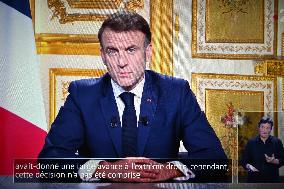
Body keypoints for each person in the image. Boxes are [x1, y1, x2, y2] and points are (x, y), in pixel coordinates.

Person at [38, 11, 227, 182]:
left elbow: (215, 159)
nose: (121, 62)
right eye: (113, 51)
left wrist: (169, 170)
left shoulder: (176, 92)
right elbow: (49, 160)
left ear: (148, 52)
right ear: (103, 55)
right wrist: (106, 170)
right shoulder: (82, 94)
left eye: (131, 50)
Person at [241, 116, 284, 183]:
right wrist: (249, 166)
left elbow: (283, 159)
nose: (265, 130)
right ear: (259, 128)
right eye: (262, 127)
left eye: (267, 128)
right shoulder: (251, 142)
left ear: (271, 129)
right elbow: (243, 161)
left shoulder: (277, 142)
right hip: (254, 180)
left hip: (272, 181)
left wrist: (274, 161)